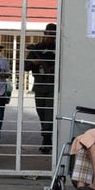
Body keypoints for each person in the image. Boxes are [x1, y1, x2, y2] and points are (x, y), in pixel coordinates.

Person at [25, 23, 56, 154]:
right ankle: (47, 135)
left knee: (49, 115)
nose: (49, 37)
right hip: (39, 85)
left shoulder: (58, 48)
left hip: (52, 86)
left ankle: (47, 139)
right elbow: (26, 66)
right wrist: (33, 62)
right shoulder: (37, 48)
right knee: (42, 113)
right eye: (48, 34)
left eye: (52, 35)